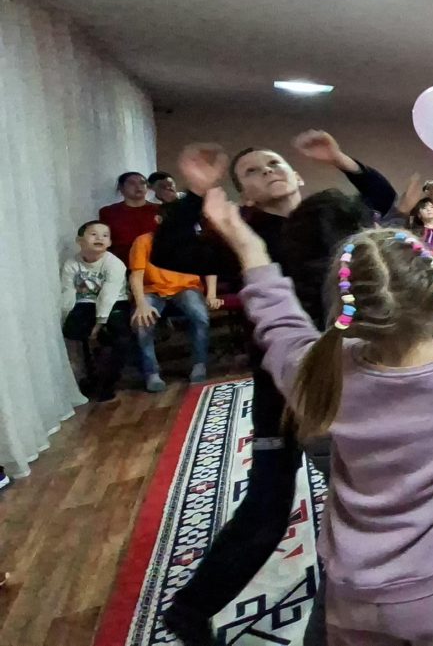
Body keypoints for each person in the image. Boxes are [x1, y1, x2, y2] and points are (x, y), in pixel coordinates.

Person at [198, 189, 433, 646]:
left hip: (352, 589)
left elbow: (280, 326)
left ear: (345, 304)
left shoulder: (321, 371)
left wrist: (250, 250)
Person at [151, 131, 395, 646]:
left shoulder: (332, 217)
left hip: (350, 376)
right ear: (245, 194)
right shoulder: (242, 234)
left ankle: (362, 594)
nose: (267, 171)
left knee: (369, 494)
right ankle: (190, 611)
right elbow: (171, 250)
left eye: (275, 163)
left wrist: (339, 157)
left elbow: (382, 198)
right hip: (281, 385)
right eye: (253, 172)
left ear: (298, 173)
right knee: (267, 506)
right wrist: (195, 194)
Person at [128, 231, 221, 391]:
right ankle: (151, 372)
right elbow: (135, 276)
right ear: (158, 220)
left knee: (200, 316)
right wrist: (141, 304)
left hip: (186, 287)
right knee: (142, 322)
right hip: (151, 289)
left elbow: (210, 267)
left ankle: (199, 364)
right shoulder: (143, 241)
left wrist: (211, 295)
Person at [61, 221, 131, 403]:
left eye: (105, 235)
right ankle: (87, 377)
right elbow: (68, 292)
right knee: (73, 332)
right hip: (85, 303)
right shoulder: (71, 264)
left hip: (115, 302)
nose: (100, 238)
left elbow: (108, 295)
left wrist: (99, 324)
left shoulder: (114, 264)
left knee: (120, 337)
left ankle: (108, 382)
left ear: (110, 242)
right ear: (80, 240)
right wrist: (65, 316)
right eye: (93, 234)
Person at [100, 171, 161, 268]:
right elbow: (104, 241)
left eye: (142, 183)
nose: (138, 186)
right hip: (122, 266)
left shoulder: (160, 210)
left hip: (157, 266)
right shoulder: (108, 212)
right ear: (121, 188)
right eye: (132, 183)